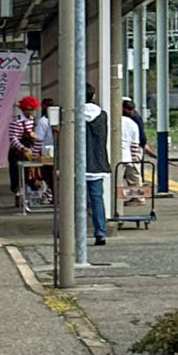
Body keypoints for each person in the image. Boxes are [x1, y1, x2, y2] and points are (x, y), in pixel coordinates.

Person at [83, 86, 112, 246]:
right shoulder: (102, 115)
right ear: (93, 95)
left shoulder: (73, 115)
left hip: (77, 164)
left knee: (75, 199)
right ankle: (100, 232)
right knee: (97, 199)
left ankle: (73, 232)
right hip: (98, 163)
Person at [10, 95, 39, 210]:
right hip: (17, 153)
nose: (32, 112)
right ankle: (18, 197)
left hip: (29, 151)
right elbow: (13, 138)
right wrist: (23, 149)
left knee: (29, 175)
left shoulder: (32, 121)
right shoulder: (16, 121)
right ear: (25, 109)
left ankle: (28, 197)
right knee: (17, 176)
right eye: (30, 110)